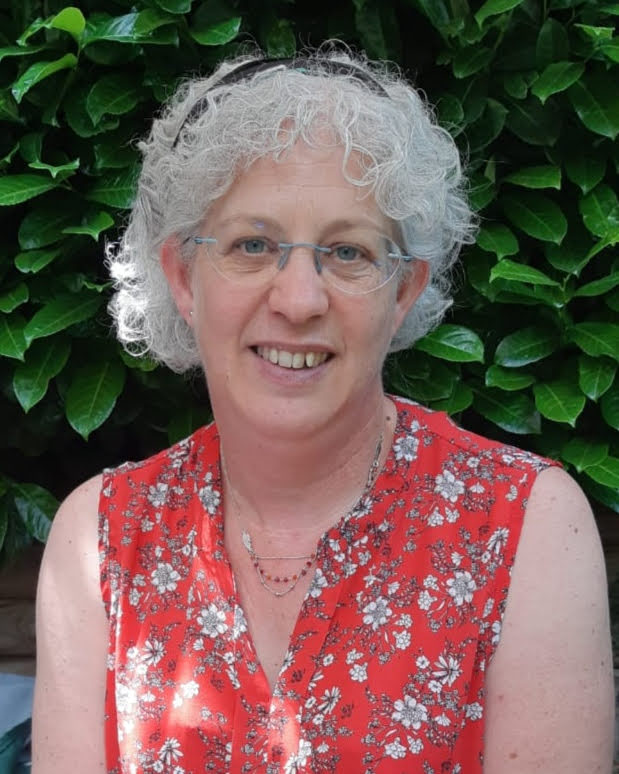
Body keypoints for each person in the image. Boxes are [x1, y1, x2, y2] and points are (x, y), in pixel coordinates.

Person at [32, 50, 614, 773]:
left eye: (347, 252)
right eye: (252, 245)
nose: (299, 300)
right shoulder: (100, 540)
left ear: (402, 291)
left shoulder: (528, 527)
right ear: (183, 276)